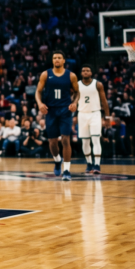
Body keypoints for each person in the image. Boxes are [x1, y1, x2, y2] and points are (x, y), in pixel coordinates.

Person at [36, 51, 79, 181]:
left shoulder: (71, 76)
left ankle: (66, 170)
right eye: (54, 58)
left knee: (66, 140)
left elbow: (77, 92)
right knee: (52, 142)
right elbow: (38, 92)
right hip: (51, 111)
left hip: (65, 110)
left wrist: (75, 103)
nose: (57, 60)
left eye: (59, 57)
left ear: (64, 60)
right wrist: (40, 103)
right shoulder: (45, 74)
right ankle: (57, 160)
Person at [77, 64, 110, 175]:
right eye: (83, 70)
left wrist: (107, 117)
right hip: (82, 114)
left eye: (88, 70)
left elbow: (104, 101)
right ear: (81, 73)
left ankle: (97, 164)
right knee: (85, 141)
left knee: (95, 139)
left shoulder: (98, 84)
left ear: (91, 73)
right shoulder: (76, 85)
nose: (85, 72)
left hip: (95, 113)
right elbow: (72, 99)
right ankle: (89, 164)